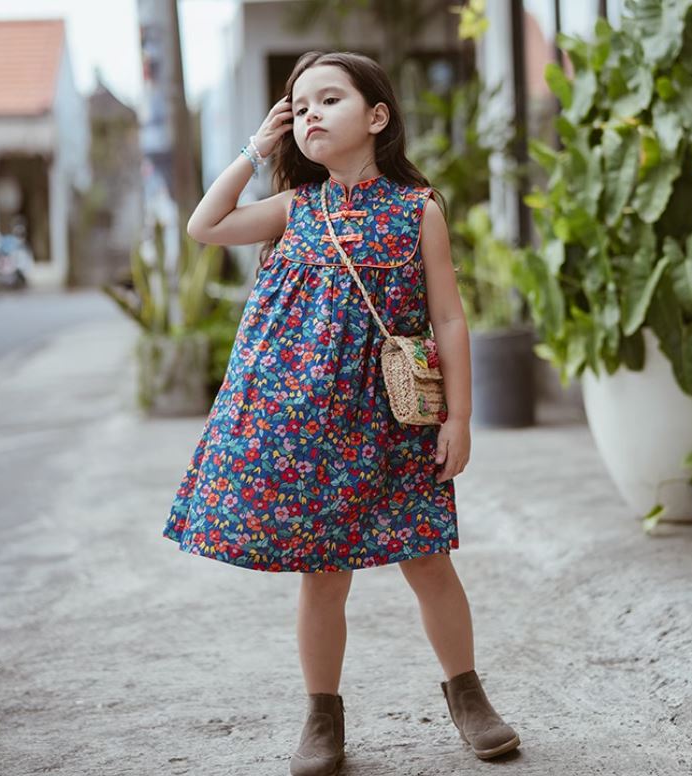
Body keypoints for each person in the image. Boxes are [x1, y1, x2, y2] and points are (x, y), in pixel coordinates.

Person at [162, 50, 520, 775]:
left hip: (394, 418)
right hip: (306, 427)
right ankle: (321, 715)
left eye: (330, 99)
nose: (311, 114)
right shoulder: (296, 208)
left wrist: (459, 418)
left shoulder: (416, 209)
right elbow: (206, 224)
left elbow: (448, 319)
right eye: (299, 107)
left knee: (428, 559)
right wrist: (253, 150)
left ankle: (468, 694)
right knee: (322, 575)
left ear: (377, 116)